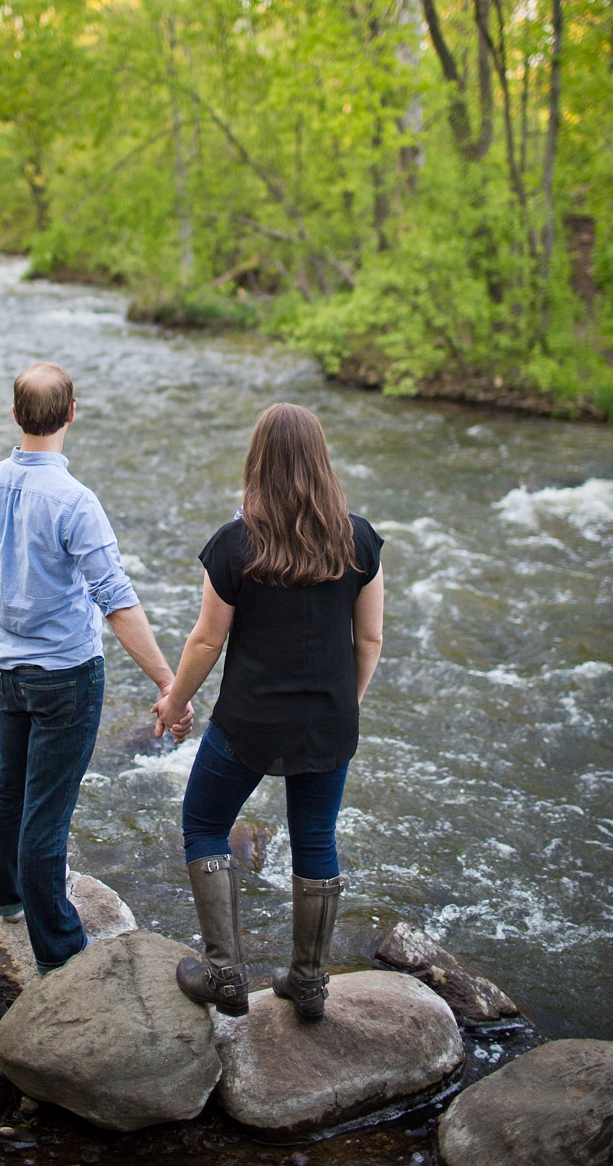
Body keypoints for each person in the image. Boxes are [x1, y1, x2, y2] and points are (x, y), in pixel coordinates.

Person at [154, 402, 384, 1020]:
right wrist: (344, 707)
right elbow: (370, 641)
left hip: (247, 724)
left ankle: (225, 973)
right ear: (321, 461)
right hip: (327, 722)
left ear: (258, 462)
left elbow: (207, 640)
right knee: (316, 836)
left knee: (203, 822)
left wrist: (174, 702)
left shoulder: (235, 545)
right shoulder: (358, 538)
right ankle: (308, 982)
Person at [0, 361, 189, 972]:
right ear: (71, 413)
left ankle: (8, 898)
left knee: (11, 784)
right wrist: (169, 682)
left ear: (15, 415)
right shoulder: (76, 501)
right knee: (47, 816)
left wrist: (13, 626)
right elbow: (116, 600)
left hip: (9, 668)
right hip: (67, 673)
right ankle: (61, 955)